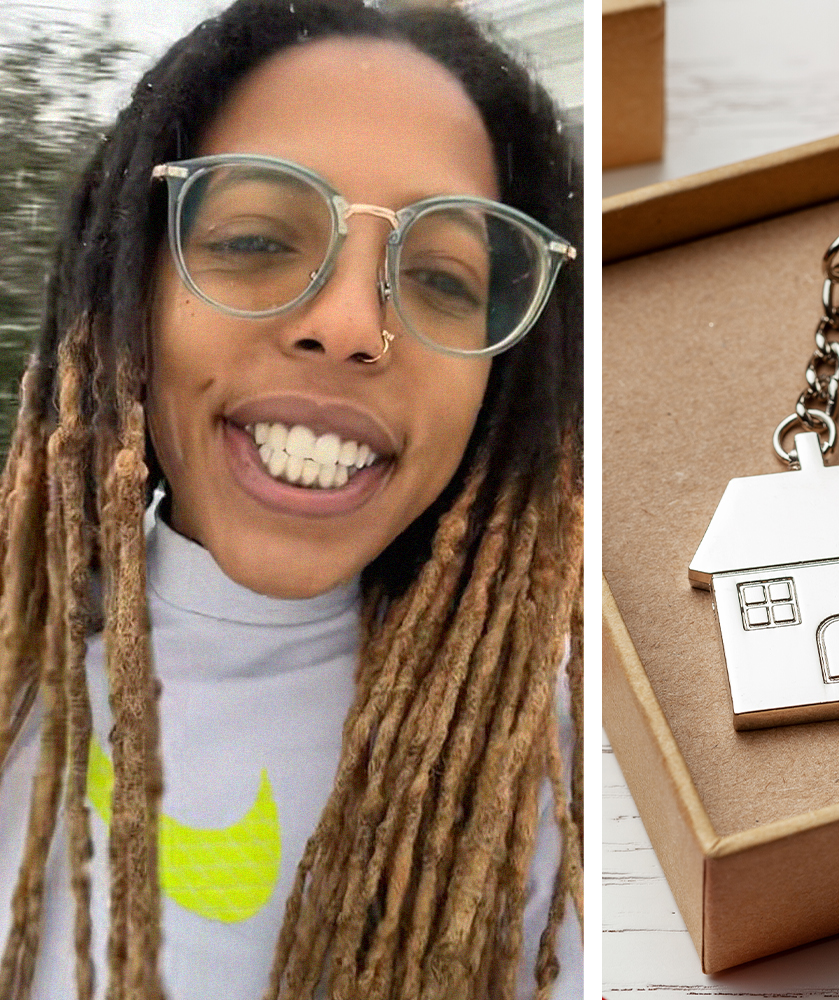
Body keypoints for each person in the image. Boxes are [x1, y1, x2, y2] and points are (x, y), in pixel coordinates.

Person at [0, 1, 583, 997]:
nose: (350, 323)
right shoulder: (22, 660)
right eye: (257, 240)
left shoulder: (547, 778)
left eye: (442, 278)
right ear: (128, 293)